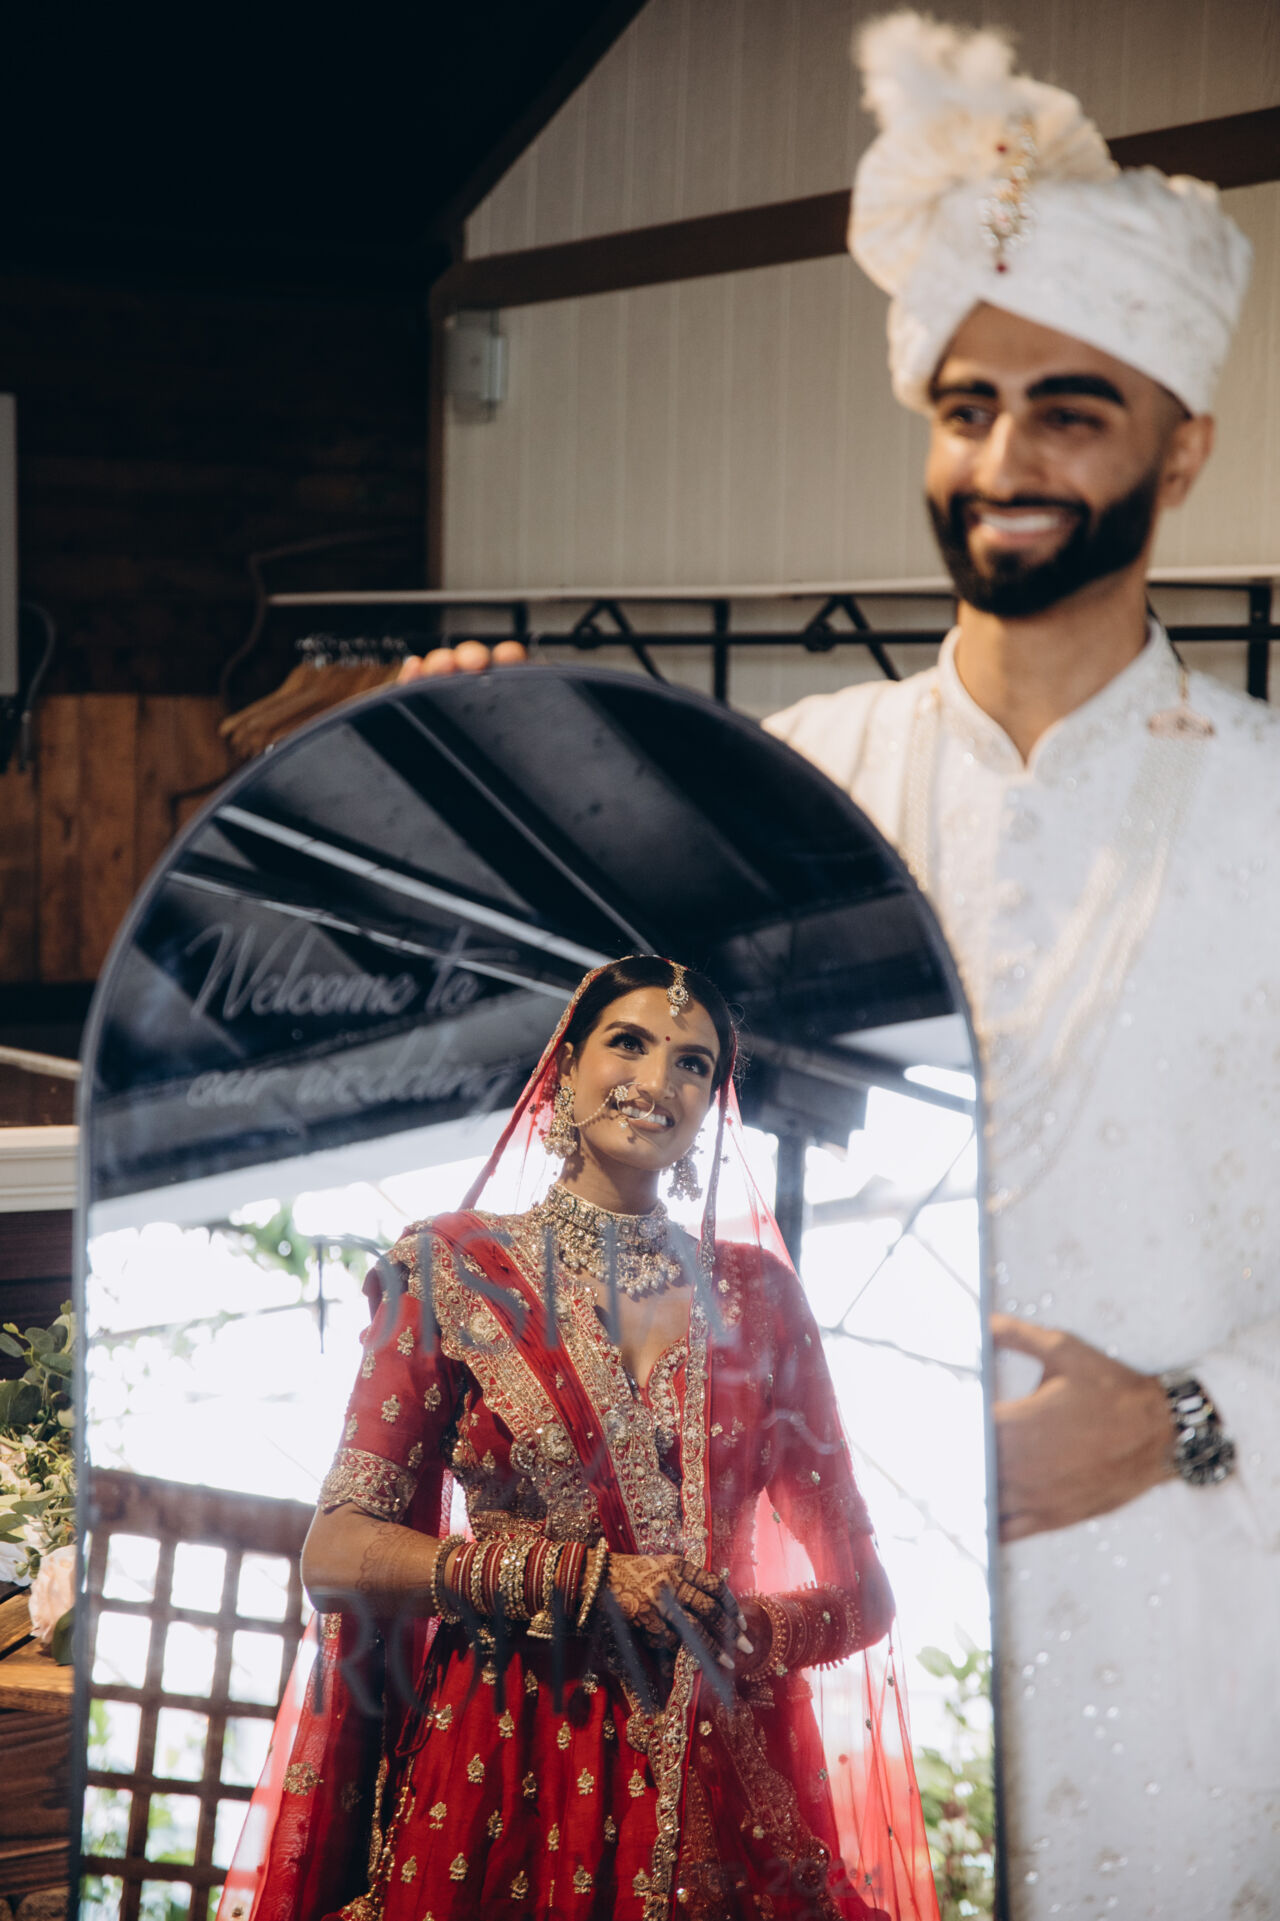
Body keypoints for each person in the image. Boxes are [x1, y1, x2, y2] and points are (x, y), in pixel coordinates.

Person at [763, 16, 1280, 1914]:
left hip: (1191, 1628)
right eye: (967, 405)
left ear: (1183, 446)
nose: (1006, 457)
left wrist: (1187, 1420)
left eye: (1073, 408)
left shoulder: (1274, 807)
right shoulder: (789, 783)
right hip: (827, 1625)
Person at [219, 956, 939, 1921]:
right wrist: (580, 1580)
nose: (657, 1080)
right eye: (628, 1043)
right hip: (502, 1761)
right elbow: (338, 1550)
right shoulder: (451, 1267)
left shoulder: (761, 1298)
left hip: (712, 1769)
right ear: (565, 1067)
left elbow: (866, 1593)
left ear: (711, 1103)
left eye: (692, 1063)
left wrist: (751, 1630)